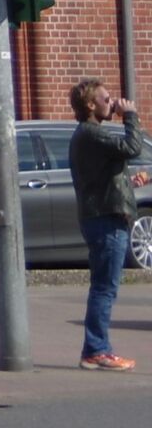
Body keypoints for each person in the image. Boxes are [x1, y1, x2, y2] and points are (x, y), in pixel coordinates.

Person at [70, 79, 144, 371]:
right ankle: (97, 350)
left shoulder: (90, 136)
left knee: (103, 287)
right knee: (104, 289)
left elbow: (103, 176)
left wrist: (131, 180)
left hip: (103, 216)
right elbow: (132, 146)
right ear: (90, 104)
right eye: (106, 98)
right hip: (106, 220)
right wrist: (130, 115)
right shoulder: (91, 133)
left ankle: (94, 349)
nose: (112, 102)